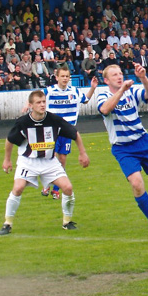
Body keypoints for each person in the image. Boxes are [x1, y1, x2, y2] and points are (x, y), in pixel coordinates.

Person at [0, 90, 90, 235]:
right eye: (38, 102)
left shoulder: (54, 120)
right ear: (30, 105)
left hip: (49, 162)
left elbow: (75, 133)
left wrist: (83, 153)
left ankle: (67, 222)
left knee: (67, 188)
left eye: (43, 102)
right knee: (18, 188)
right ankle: (7, 223)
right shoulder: (23, 122)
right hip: (28, 161)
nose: (42, 105)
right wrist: (7, 160)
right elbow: (10, 140)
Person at [96, 63, 148, 231]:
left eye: (120, 73)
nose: (119, 76)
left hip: (143, 141)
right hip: (123, 148)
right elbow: (105, 109)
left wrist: (143, 78)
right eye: (114, 75)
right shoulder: (103, 95)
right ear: (106, 80)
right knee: (137, 184)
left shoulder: (131, 91)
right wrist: (120, 91)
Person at [41, 65, 98, 199]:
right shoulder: (50, 91)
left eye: (67, 76)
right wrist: (28, 104)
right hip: (52, 131)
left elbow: (86, 100)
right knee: (51, 157)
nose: (65, 79)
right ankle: (47, 184)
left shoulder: (75, 91)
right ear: (57, 77)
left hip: (67, 131)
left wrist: (93, 88)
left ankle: (56, 189)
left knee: (62, 159)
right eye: (62, 76)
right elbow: (37, 97)